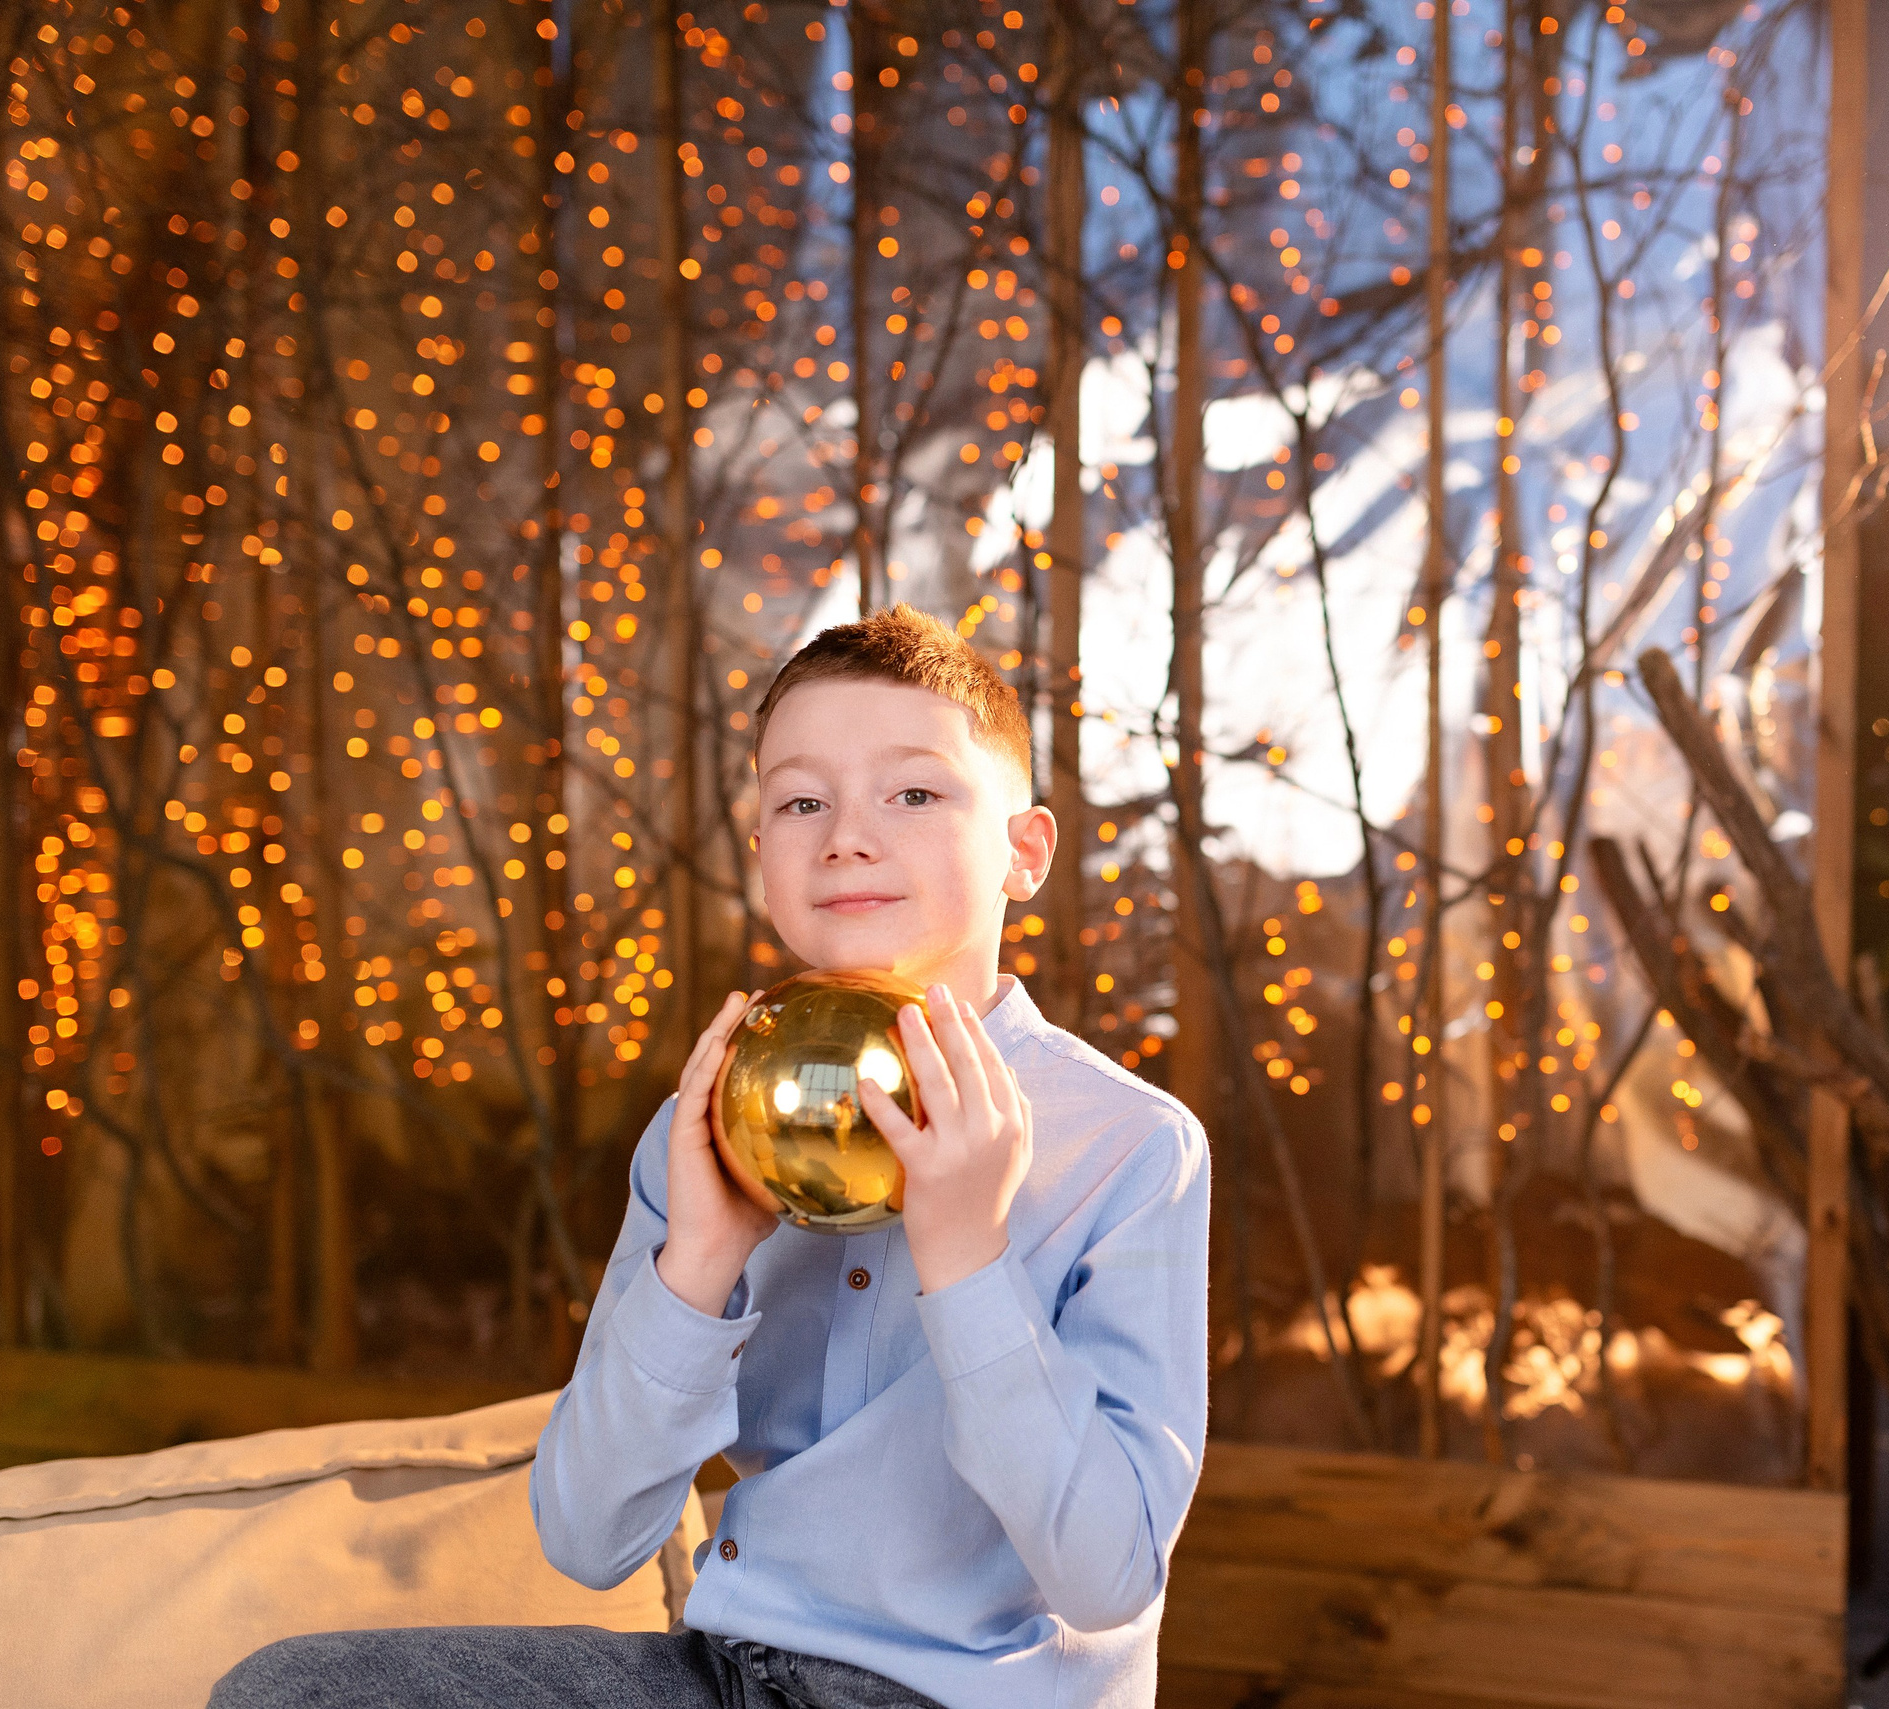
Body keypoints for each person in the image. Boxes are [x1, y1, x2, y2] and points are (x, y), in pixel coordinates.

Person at [213, 606, 1211, 1709]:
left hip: (966, 1697)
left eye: (914, 792)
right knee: (290, 1691)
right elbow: (589, 1535)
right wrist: (698, 1260)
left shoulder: (1132, 1146)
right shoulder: (697, 1132)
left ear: (1022, 852)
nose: (846, 835)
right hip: (724, 1675)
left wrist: (969, 1259)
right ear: (764, 856)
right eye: (801, 800)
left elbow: (1108, 1576)